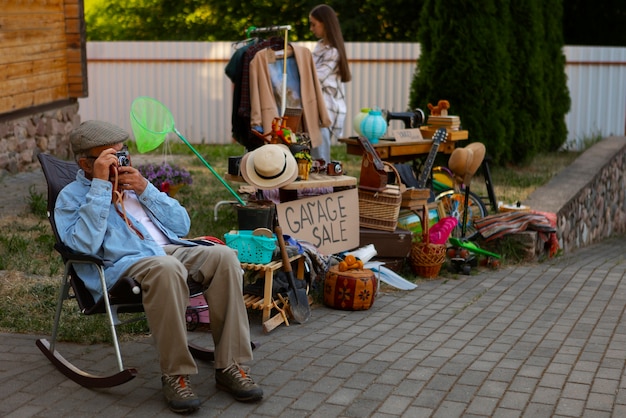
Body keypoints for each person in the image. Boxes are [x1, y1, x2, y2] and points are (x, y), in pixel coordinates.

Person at [55, 120, 263, 414]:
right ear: (86, 164)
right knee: (167, 268)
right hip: (124, 266)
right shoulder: (72, 198)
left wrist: (145, 188)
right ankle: (176, 375)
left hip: (167, 251)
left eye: (122, 154)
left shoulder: (134, 187)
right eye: (109, 158)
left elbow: (182, 225)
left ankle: (230, 366)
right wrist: (101, 188)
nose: (119, 163)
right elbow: (83, 247)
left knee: (225, 257)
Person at [309, 4, 352, 164]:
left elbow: (315, 76)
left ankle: (324, 186)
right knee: (312, 153)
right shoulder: (320, 46)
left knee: (320, 157)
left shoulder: (333, 52)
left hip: (325, 109)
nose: (311, 28)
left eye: (314, 24)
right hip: (316, 107)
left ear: (325, 23)